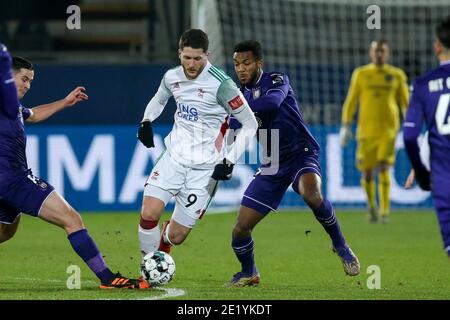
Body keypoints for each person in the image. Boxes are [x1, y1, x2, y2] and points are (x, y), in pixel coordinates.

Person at [0, 45, 149, 289]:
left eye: (31, 81)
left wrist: (65, 102)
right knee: (72, 218)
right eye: (23, 79)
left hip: (6, 182)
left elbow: (33, 115)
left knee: (5, 233)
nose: (27, 85)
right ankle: (107, 278)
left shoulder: (13, 107)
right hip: (14, 179)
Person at [227, 40, 360, 287]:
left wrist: (236, 110)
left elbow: (272, 103)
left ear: (259, 63)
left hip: (301, 152)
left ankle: (340, 245)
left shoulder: (277, 80)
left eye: (246, 63)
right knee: (240, 229)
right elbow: (234, 128)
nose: (241, 69)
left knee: (312, 193)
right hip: (272, 162)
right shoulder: (241, 95)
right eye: (236, 64)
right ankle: (249, 271)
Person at [136, 29, 257, 256]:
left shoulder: (223, 85)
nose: (191, 64)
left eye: (197, 58)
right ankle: (147, 270)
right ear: (179, 53)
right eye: (187, 57)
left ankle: (164, 242)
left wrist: (229, 160)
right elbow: (159, 99)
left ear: (207, 55)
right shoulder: (172, 77)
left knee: (177, 236)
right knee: (149, 213)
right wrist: (146, 120)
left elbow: (250, 124)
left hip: (205, 169)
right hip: (174, 158)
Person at [340, 40, 409, 224]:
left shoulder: (396, 75)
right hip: (366, 131)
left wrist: (411, 123)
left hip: (388, 130)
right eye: (376, 51)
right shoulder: (361, 74)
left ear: (387, 54)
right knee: (368, 172)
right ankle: (372, 207)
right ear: (371, 53)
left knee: (384, 165)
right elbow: (351, 100)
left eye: (382, 51)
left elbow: (405, 102)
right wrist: (346, 125)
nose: (379, 54)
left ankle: (385, 212)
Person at [404, 15, 450, 258]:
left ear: (437, 45)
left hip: (444, 181)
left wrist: (421, 172)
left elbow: (410, 136)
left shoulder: (423, 85)